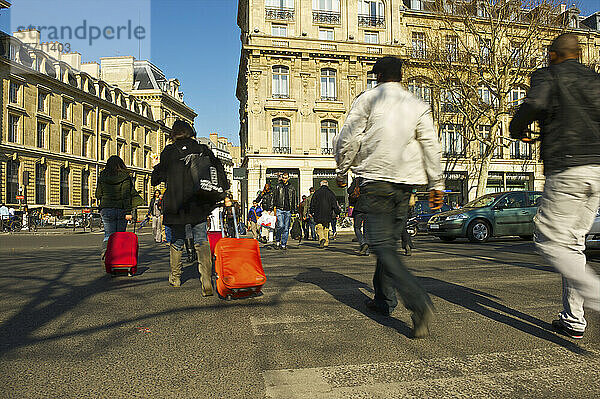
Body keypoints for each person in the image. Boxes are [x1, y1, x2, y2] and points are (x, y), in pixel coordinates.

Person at [333, 56, 444, 338]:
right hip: (407, 185)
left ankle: (418, 302)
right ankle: (384, 300)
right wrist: (436, 184)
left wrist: (343, 168)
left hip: (377, 179)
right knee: (389, 245)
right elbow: (431, 143)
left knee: (381, 245)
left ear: (379, 77)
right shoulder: (417, 104)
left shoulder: (368, 99)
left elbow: (349, 137)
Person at [509, 33, 600, 339]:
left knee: (547, 241)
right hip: (596, 171)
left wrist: (517, 127)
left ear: (553, 54)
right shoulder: (596, 80)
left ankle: (596, 298)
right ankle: (574, 318)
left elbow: (535, 102)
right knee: (574, 245)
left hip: (567, 167)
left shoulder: (549, 75)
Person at [151, 119, 225, 294]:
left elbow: (157, 178)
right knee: (200, 239)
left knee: (177, 239)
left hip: (176, 203)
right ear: (191, 132)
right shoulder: (202, 149)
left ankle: (175, 277)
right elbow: (217, 169)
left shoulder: (168, 152)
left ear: (173, 134)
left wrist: (157, 170)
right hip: (197, 201)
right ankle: (206, 280)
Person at [95, 155, 144, 256]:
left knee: (108, 235)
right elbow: (126, 195)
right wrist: (128, 212)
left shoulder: (102, 176)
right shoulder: (125, 176)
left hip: (106, 209)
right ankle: (118, 259)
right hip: (121, 210)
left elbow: (98, 194)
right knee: (120, 236)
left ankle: (106, 252)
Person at [309, 180, 340, 249]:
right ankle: (326, 242)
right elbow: (334, 204)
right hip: (328, 213)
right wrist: (337, 212)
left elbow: (312, 204)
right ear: (327, 185)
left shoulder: (316, 193)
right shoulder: (331, 193)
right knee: (326, 227)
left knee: (319, 226)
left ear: (320, 185)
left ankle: (321, 238)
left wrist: (311, 212)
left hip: (318, 213)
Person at [272, 172, 297, 250]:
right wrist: (272, 208)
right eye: (283, 178)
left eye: (286, 178)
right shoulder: (278, 186)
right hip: (280, 208)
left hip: (288, 210)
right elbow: (274, 197)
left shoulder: (292, 187)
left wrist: (295, 210)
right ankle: (277, 241)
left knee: (286, 228)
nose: (284, 179)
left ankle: (283, 244)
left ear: (288, 178)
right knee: (281, 225)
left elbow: (294, 199)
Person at [348, 177, 369, 256]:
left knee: (357, 228)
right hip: (369, 208)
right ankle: (366, 251)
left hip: (359, 207)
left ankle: (363, 244)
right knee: (366, 229)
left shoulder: (357, 180)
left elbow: (349, 191)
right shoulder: (371, 180)